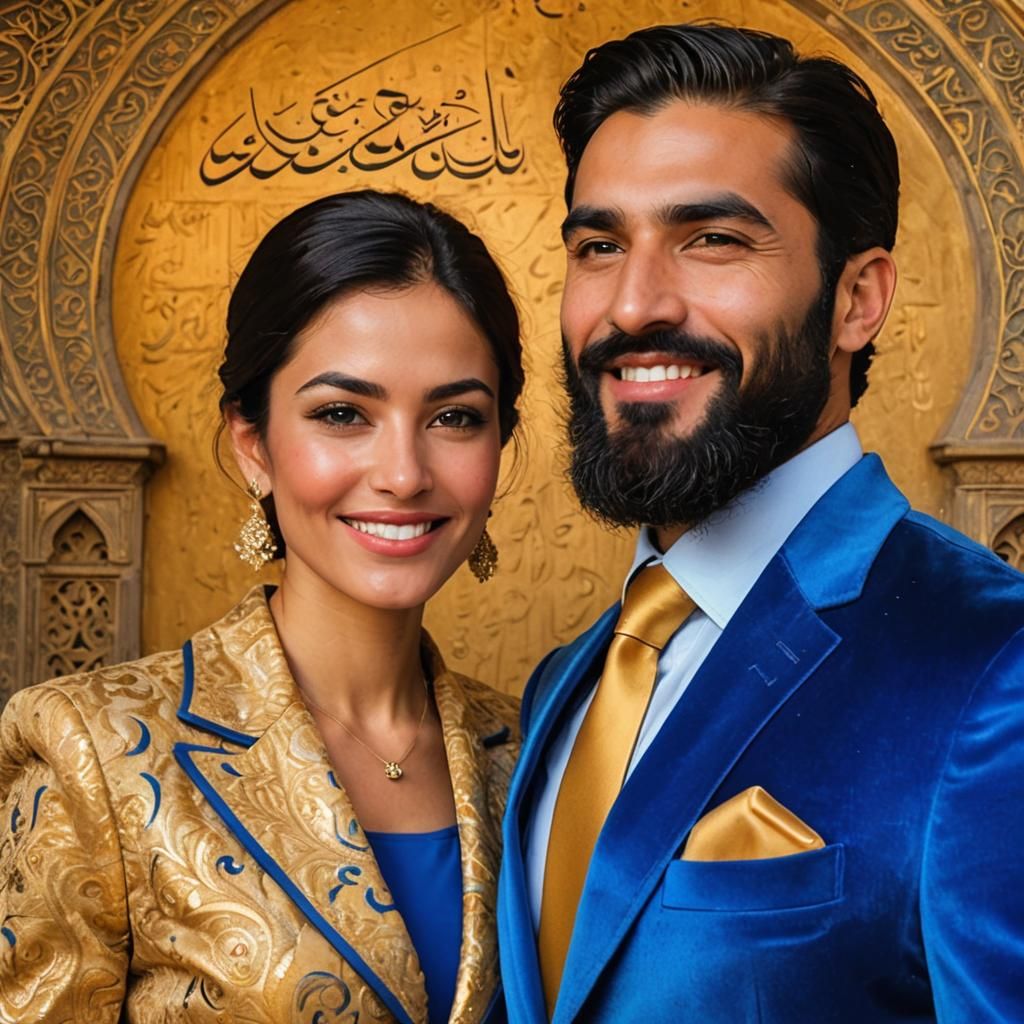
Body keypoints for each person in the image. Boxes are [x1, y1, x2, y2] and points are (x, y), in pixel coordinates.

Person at [497, 23, 1024, 1024]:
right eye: (599, 245)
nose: (633, 304)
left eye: (712, 239)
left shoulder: (995, 669)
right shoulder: (566, 683)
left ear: (856, 298)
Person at [0, 190, 524, 1024]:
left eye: (455, 417)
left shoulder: (535, 754)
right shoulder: (91, 753)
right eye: (342, 414)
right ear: (254, 446)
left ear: (500, 448)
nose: (402, 472)